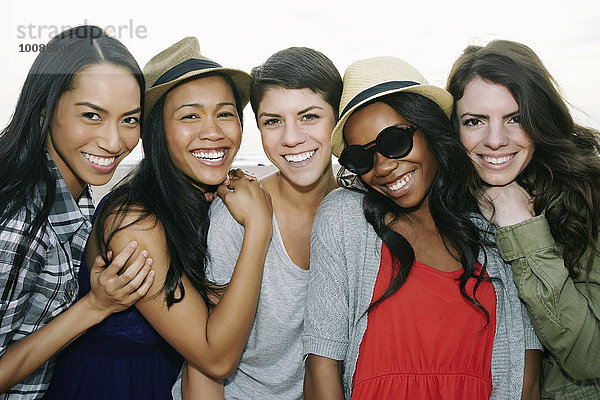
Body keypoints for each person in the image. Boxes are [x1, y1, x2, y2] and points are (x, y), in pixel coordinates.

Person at [44, 37, 273, 399]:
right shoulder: (133, 222)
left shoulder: (202, 201)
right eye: (190, 116)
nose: (213, 131)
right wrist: (259, 228)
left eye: (225, 113)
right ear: (157, 131)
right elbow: (216, 359)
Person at [303, 56, 542, 399]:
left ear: (429, 129)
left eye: (394, 142)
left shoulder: (494, 224)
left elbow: (525, 376)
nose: (383, 167)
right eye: (363, 157)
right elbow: (321, 364)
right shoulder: (345, 217)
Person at [174, 46, 342, 399]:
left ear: (338, 119)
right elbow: (203, 364)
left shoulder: (359, 212)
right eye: (272, 121)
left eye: (309, 116)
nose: (291, 137)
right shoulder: (235, 214)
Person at [0, 25, 155, 399]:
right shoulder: (20, 222)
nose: (114, 141)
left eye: (130, 119)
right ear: (43, 111)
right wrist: (95, 306)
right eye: (91, 115)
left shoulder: (74, 192)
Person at [447, 39, 600, 399]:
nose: (496, 140)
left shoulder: (589, 196)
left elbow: (589, 356)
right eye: (474, 121)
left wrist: (520, 224)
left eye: (515, 118)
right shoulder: (445, 201)